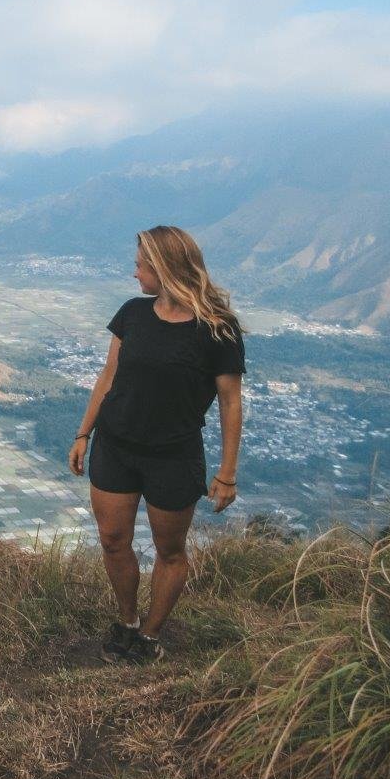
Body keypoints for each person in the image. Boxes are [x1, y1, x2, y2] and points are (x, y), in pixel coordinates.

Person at [67, 225, 246, 665]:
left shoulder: (217, 330)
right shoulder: (132, 313)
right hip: (116, 446)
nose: (134, 274)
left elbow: (230, 400)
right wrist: (83, 433)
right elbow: (108, 376)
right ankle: (127, 621)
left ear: (165, 268)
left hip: (173, 455)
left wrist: (227, 473)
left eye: (140, 265)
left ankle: (150, 634)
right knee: (112, 539)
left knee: (170, 551)